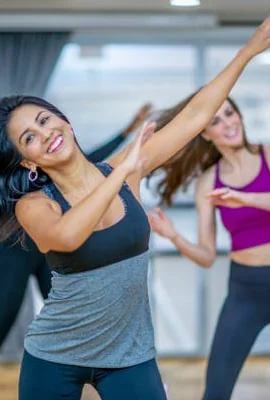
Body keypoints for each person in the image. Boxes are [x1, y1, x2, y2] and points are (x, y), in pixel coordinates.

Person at [0, 17, 269, 400]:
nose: (46, 134)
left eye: (46, 120)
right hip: (54, 354)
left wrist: (248, 51)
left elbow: (194, 116)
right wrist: (123, 168)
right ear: (28, 162)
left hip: (129, 354)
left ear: (64, 120)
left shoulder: (127, 171)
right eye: (30, 137)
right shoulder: (34, 205)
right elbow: (67, 235)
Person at [148, 65, 270, 400]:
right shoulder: (208, 182)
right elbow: (205, 256)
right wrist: (173, 235)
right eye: (215, 120)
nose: (227, 123)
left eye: (230, 113)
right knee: (215, 390)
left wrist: (244, 197)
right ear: (204, 133)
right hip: (246, 289)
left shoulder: (268, 155)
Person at [0, 103, 152, 348]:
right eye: (29, 136)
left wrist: (126, 133)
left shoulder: (52, 159)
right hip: (14, 253)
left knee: (76, 317)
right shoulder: (15, 172)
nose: (44, 134)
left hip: (50, 252)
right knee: (3, 316)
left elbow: (92, 157)